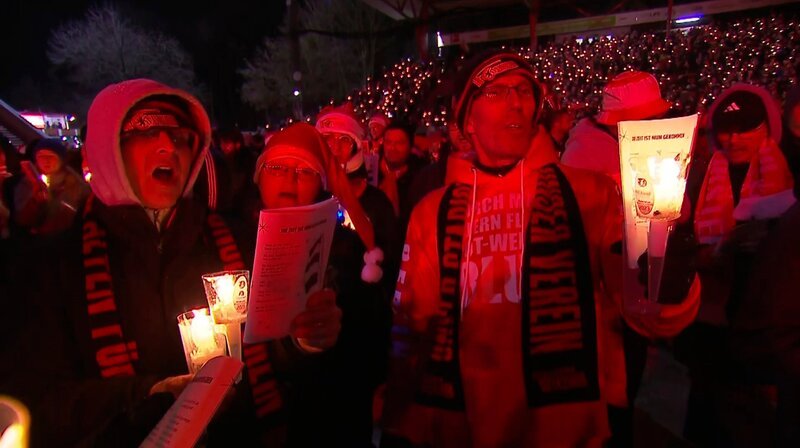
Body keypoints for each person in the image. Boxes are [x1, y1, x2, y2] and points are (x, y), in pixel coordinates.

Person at [380, 50, 700, 448]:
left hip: (571, 431)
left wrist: (670, 279)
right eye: (496, 92)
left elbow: (646, 314)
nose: (516, 101)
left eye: (524, 91)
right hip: (462, 429)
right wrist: (399, 422)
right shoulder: (432, 212)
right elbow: (412, 328)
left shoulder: (593, 194)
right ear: (467, 120)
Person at [0, 79, 342, 447]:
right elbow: (34, 401)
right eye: (145, 130)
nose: (168, 146)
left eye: (181, 137)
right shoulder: (48, 269)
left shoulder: (243, 241)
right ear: (106, 149)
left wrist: (304, 338)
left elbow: (275, 359)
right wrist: (150, 396)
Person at [252, 122, 391, 446]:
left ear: (321, 184)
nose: (289, 181)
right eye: (277, 168)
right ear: (258, 176)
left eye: (305, 172)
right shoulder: (229, 242)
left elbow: (372, 332)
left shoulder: (347, 248)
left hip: (334, 415)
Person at [677, 83, 794, 447]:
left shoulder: (789, 174)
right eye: (725, 130)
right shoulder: (697, 174)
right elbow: (679, 243)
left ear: (769, 126)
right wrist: (712, 254)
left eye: (746, 128)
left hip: (767, 327)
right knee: (708, 415)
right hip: (710, 322)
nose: (733, 138)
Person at [316, 104, 402, 296]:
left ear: (356, 145)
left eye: (344, 140)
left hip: (364, 309)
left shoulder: (378, 203)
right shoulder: (311, 201)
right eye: (327, 139)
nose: (335, 148)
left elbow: (391, 262)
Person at [561, 70, 671, 185]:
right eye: (647, 120)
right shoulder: (581, 157)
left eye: (656, 118)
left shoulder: (648, 144)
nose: (653, 126)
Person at [13, 137, 89, 236]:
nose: (46, 161)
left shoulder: (75, 184)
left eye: (51, 156)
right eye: (42, 156)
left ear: (61, 160)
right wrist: (35, 202)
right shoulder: (28, 183)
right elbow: (22, 219)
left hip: (67, 238)